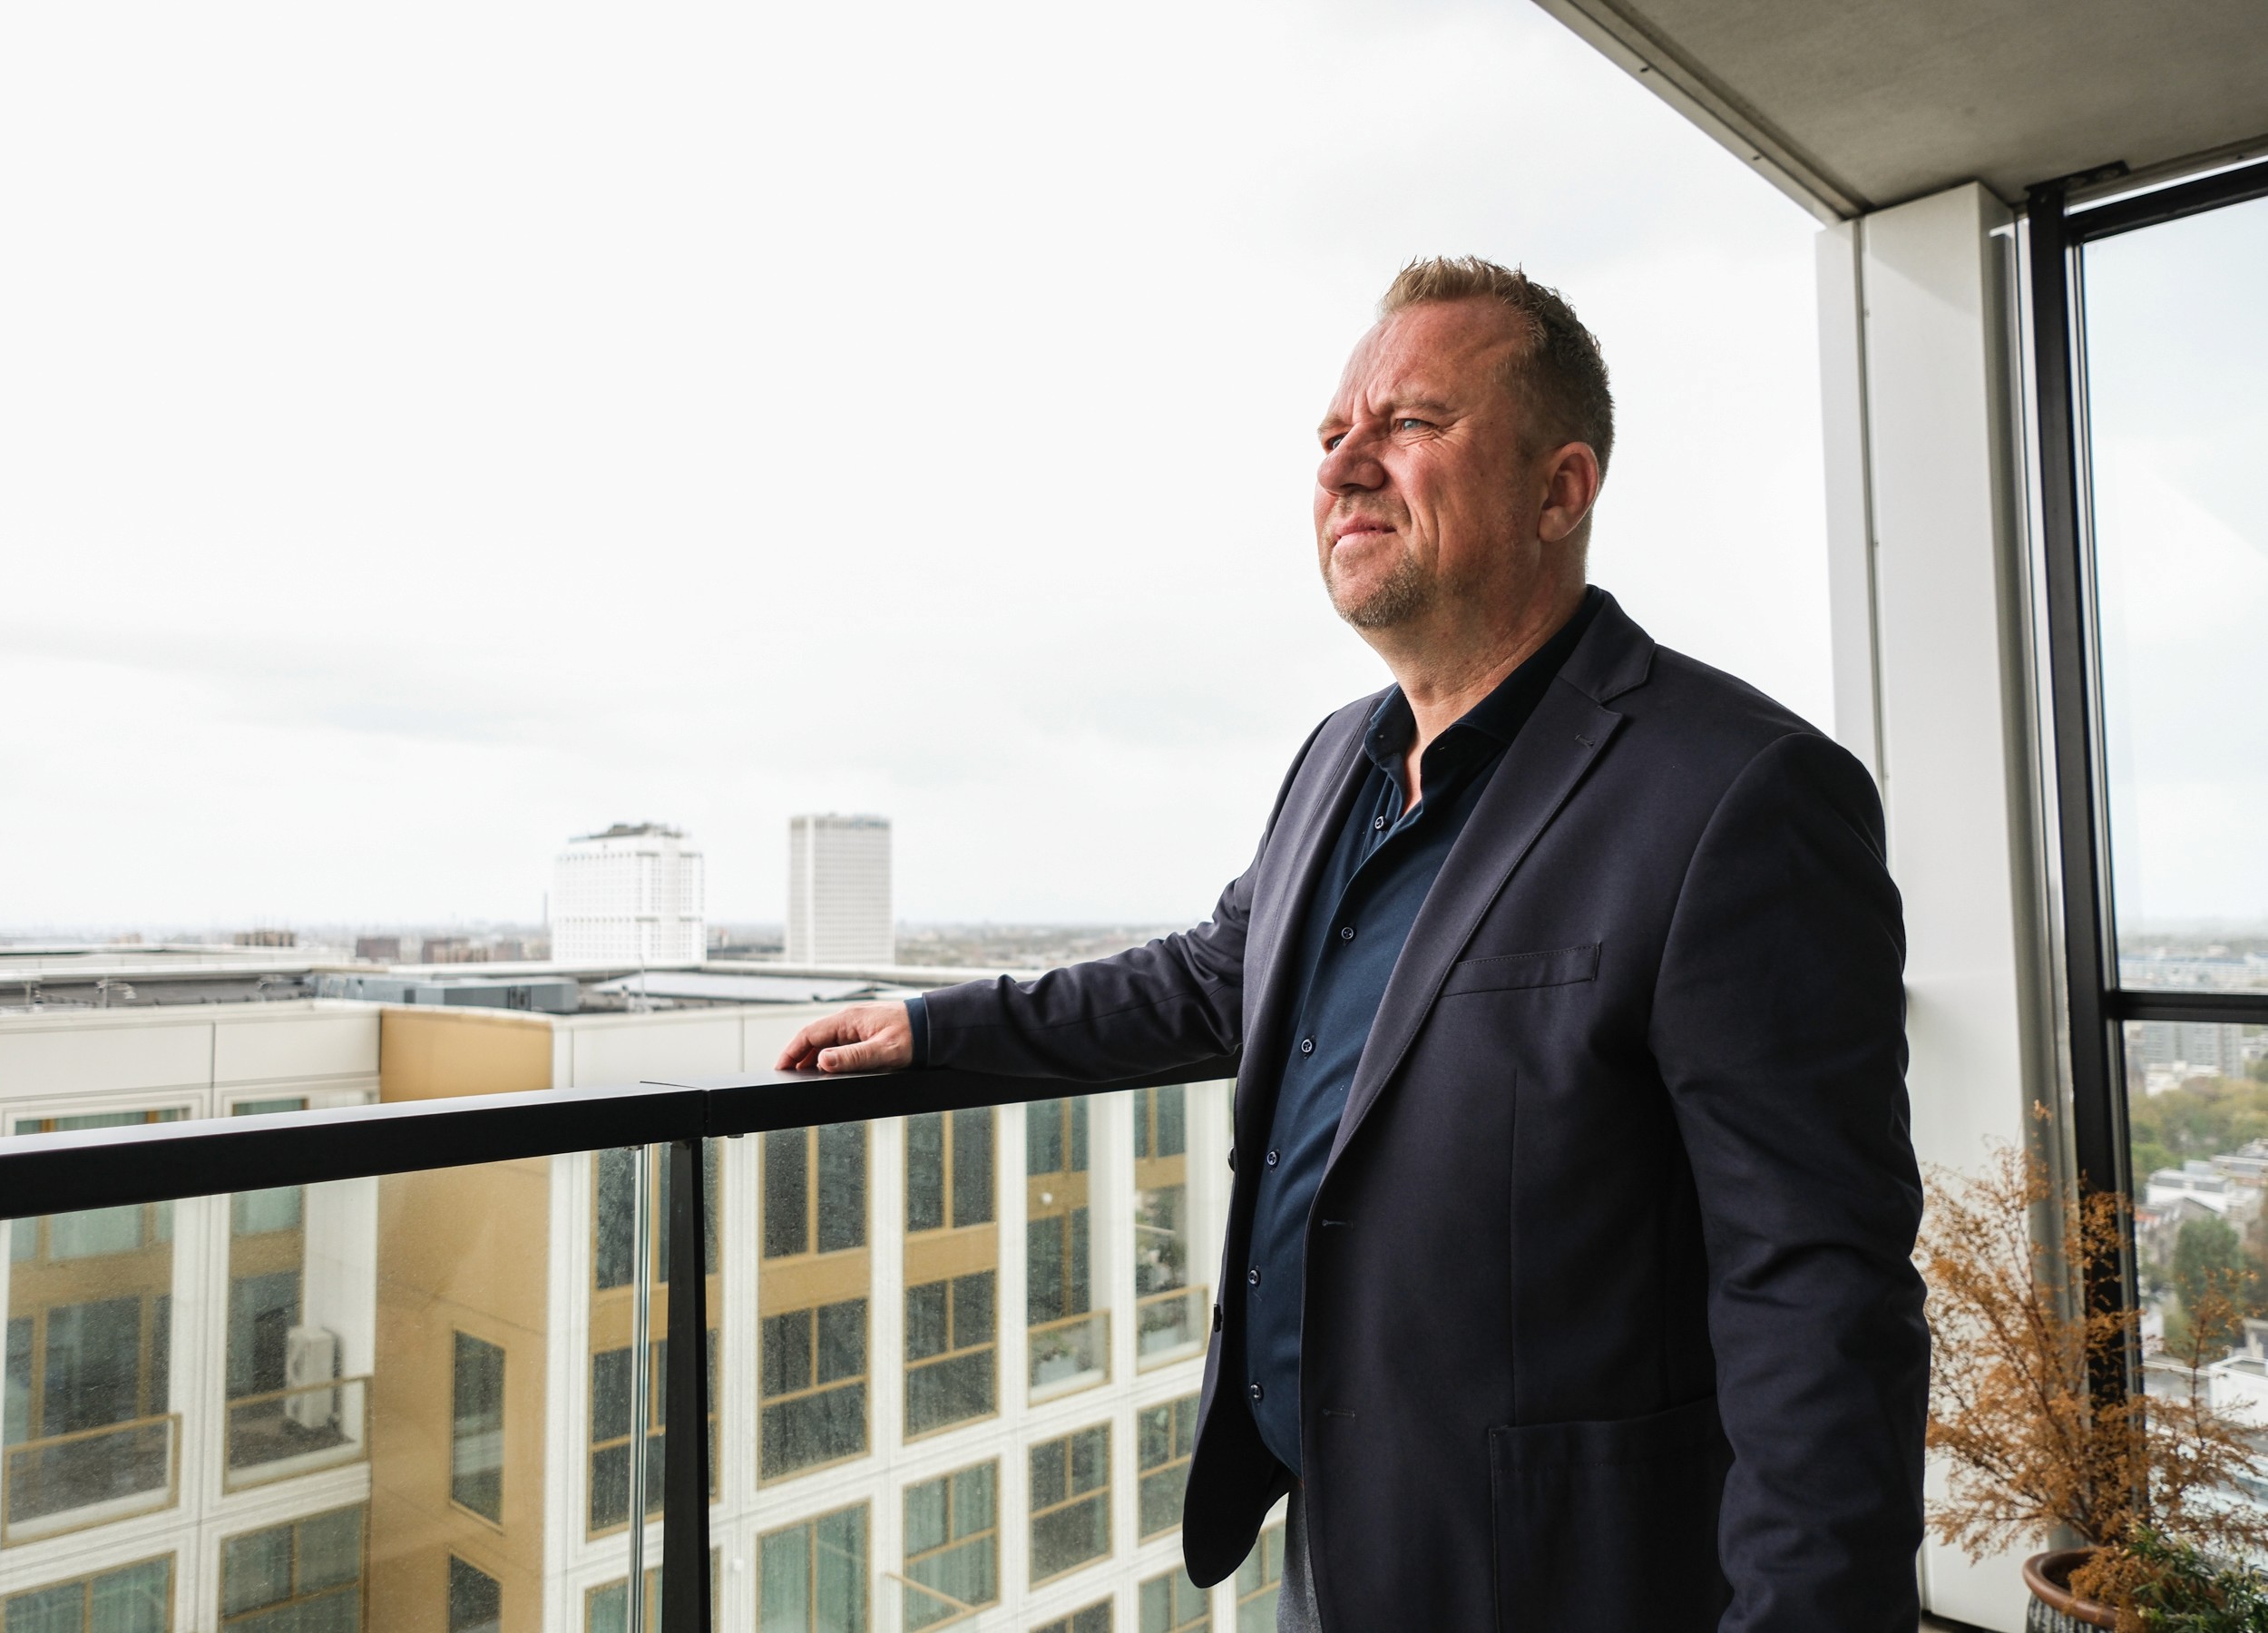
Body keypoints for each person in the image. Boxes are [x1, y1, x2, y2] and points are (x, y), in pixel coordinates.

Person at [776, 257, 1927, 1632]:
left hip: (1565, 1574)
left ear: (1561, 489)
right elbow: (1219, 975)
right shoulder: (1340, 757)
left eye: (1411, 423)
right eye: (1332, 435)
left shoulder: (1738, 795)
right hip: (1332, 1534)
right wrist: (937, 1026)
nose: (1344, 466)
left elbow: (1816, 1292)